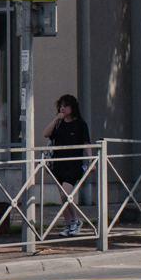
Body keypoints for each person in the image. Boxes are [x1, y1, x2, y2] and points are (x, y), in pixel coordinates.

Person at [42, 94, 91, 237]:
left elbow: (86, 143)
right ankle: (69, 224)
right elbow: (46, 134)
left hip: (73, 164)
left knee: (66, 193)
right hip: (58, 163)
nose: (62, 108)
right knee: (62, 197)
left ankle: (76, 220)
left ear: (72, 107)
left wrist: (91, 160)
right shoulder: (59, 123)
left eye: (66, 106)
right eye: (61, 106)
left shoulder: (81, 124)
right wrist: (57, 118)